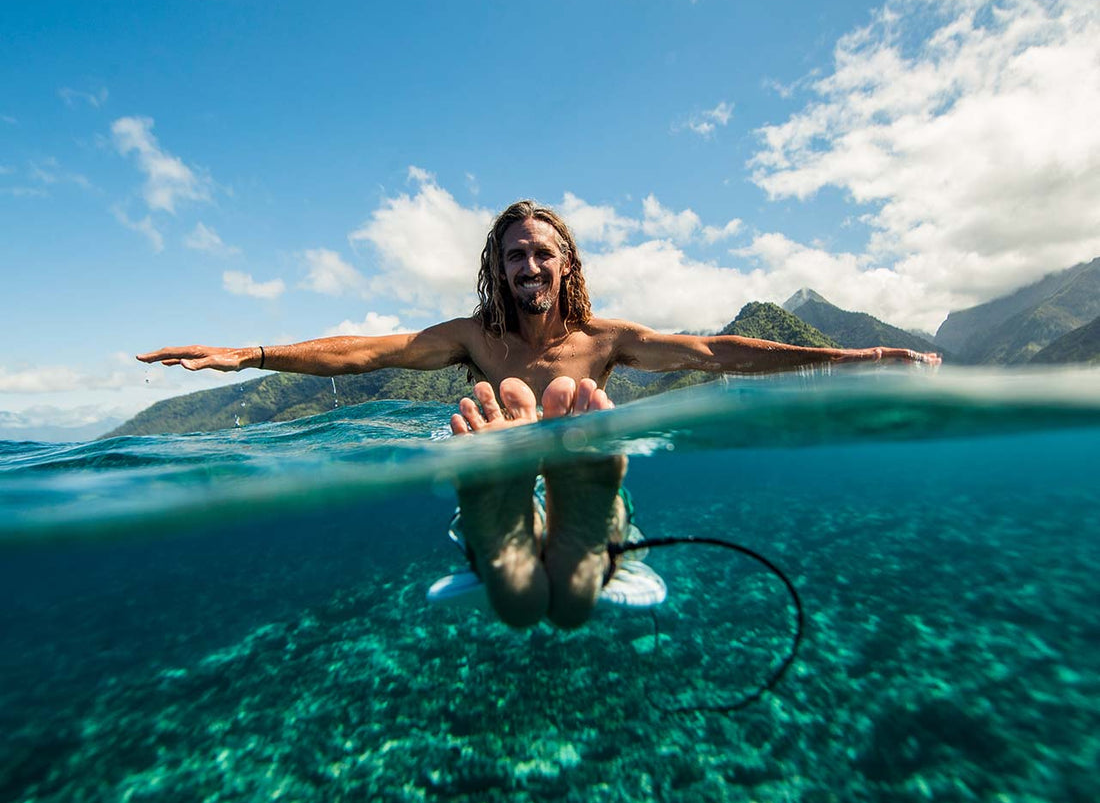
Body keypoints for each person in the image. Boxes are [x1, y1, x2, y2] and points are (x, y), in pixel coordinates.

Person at [139, 199, 940, 630]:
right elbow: (365, 352)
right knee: (524, 412)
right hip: (527, 473)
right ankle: (518, 515)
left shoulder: (608, 340)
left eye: (542, 251)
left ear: (567, 266)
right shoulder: (472, 340)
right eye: (514, 253)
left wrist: (860, 358)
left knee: (548, 421)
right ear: (498, 268)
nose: (529, 262)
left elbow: (715, 350)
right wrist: (251, 353)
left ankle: (557, 512)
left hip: (564, 465)